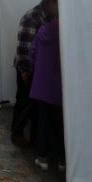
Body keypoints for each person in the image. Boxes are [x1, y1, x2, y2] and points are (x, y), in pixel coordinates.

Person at [11, 0, 58, 147]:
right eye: (58, 7)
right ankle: (16, 133)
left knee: (35, 104)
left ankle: (35, 138)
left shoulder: (49, 16)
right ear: (52, 3)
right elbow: (24, 48)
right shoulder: (33, 16)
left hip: (40, 69)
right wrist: (26, 71)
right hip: (27, 68)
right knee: (24, 102)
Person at [29, 18, 65, 171]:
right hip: (61, 87)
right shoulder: (67, 30)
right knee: (61, 124)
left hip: (42, 85)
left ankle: (42, 158)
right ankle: (62, 160)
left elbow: (32, 53)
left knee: (43, 122)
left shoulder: (43, 31)